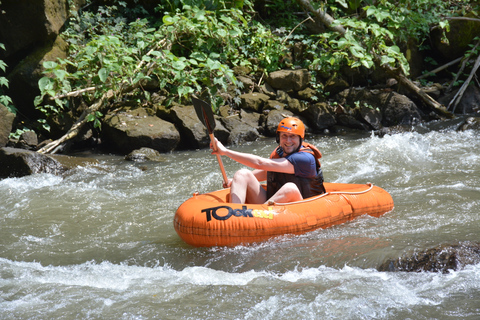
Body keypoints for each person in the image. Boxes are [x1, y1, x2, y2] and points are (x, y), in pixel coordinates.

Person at [210, 117, 326, 204]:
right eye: (284, 136)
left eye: (293, 136)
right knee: (242, 174)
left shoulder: (305, 159)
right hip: (277, 205)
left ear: (300, 138)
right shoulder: (279, 153)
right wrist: (236, 181)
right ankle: (234, 215)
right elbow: (268, 172)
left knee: (290, 188)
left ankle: (258, 218)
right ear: (278, 138)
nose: (288, 140)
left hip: (302, 207)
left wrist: (225, 151)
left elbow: (260, 163)